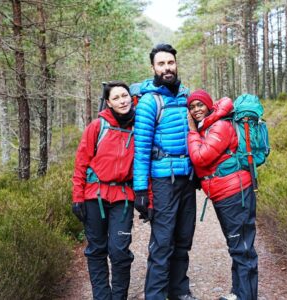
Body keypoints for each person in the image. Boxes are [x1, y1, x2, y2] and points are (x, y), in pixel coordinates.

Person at [133, 44, 197, 300]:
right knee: (162, 242)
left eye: (170, 63)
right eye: (161, 64)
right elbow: (141, 148)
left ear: (176, 64)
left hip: (187, 179)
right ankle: (156, 295)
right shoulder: (150, 101)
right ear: (153, 68)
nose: (167, 68)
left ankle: (179, 291)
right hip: (162, 181)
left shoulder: (186, 96)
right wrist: (140, 190)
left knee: (183, 239)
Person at [187, 90, 258, 300]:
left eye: (200, 105)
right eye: (192, 107)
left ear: (209, 105)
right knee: (236, 245)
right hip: (226, 194)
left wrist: (192, 132)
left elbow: (200, 157)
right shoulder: (209, 126)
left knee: (242, 248)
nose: (196, 110)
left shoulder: (219, 126)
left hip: (235, 194)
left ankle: (246, 296)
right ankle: (238, 293)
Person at [72, 81, 136, 300]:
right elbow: (81, 162)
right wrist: (77, 197)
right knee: (97, 250)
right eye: (116, 98)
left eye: (125, 95)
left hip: (123, 198)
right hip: (94, 197)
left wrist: (149, 199)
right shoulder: (97, 127)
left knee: (119, 252)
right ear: (108, 102)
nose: (122, 100)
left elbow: (145, 165)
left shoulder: (139, 127)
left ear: (131, 97)